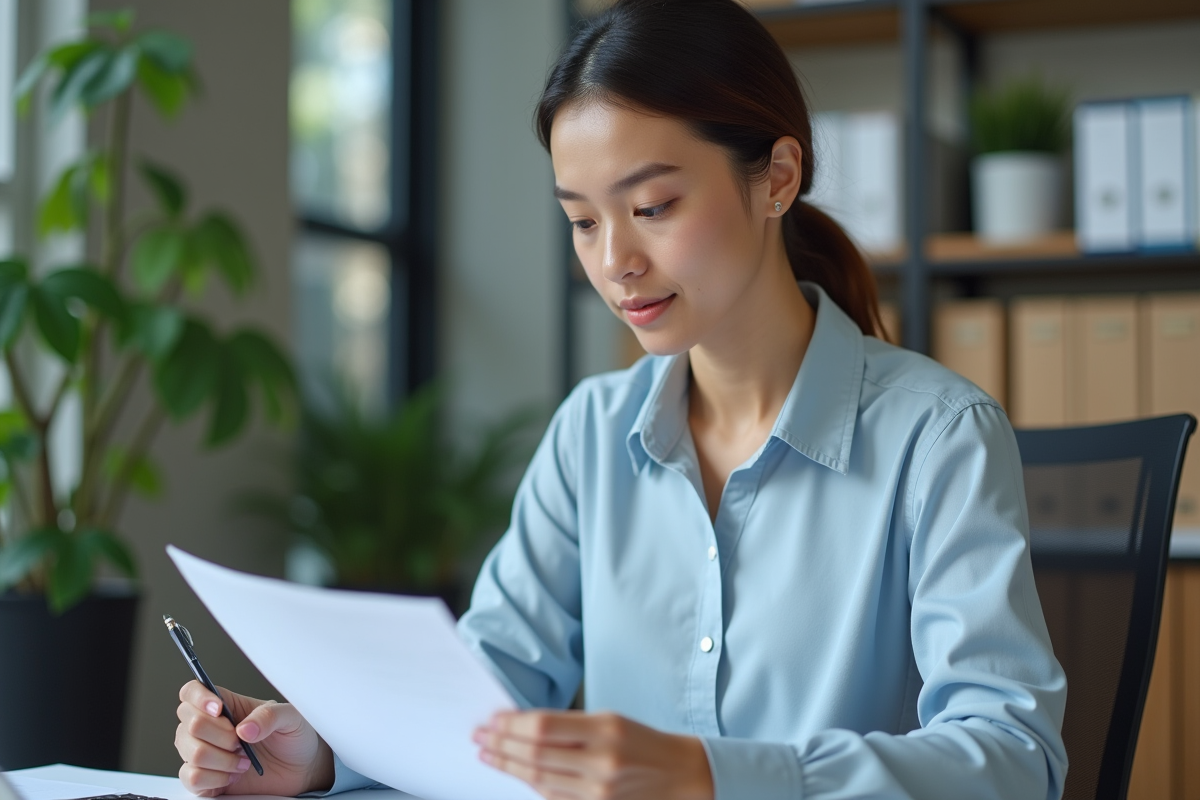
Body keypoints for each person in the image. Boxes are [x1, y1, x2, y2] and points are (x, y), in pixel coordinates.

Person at [173, 1, 1068, 798]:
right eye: (583, 220)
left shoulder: (938, 437)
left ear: (777, 177)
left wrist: (715, 779)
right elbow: (483, 695)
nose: (614, 262)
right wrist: (321, 752)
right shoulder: (592, 434)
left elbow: (1013, 757)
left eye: (654, 206)